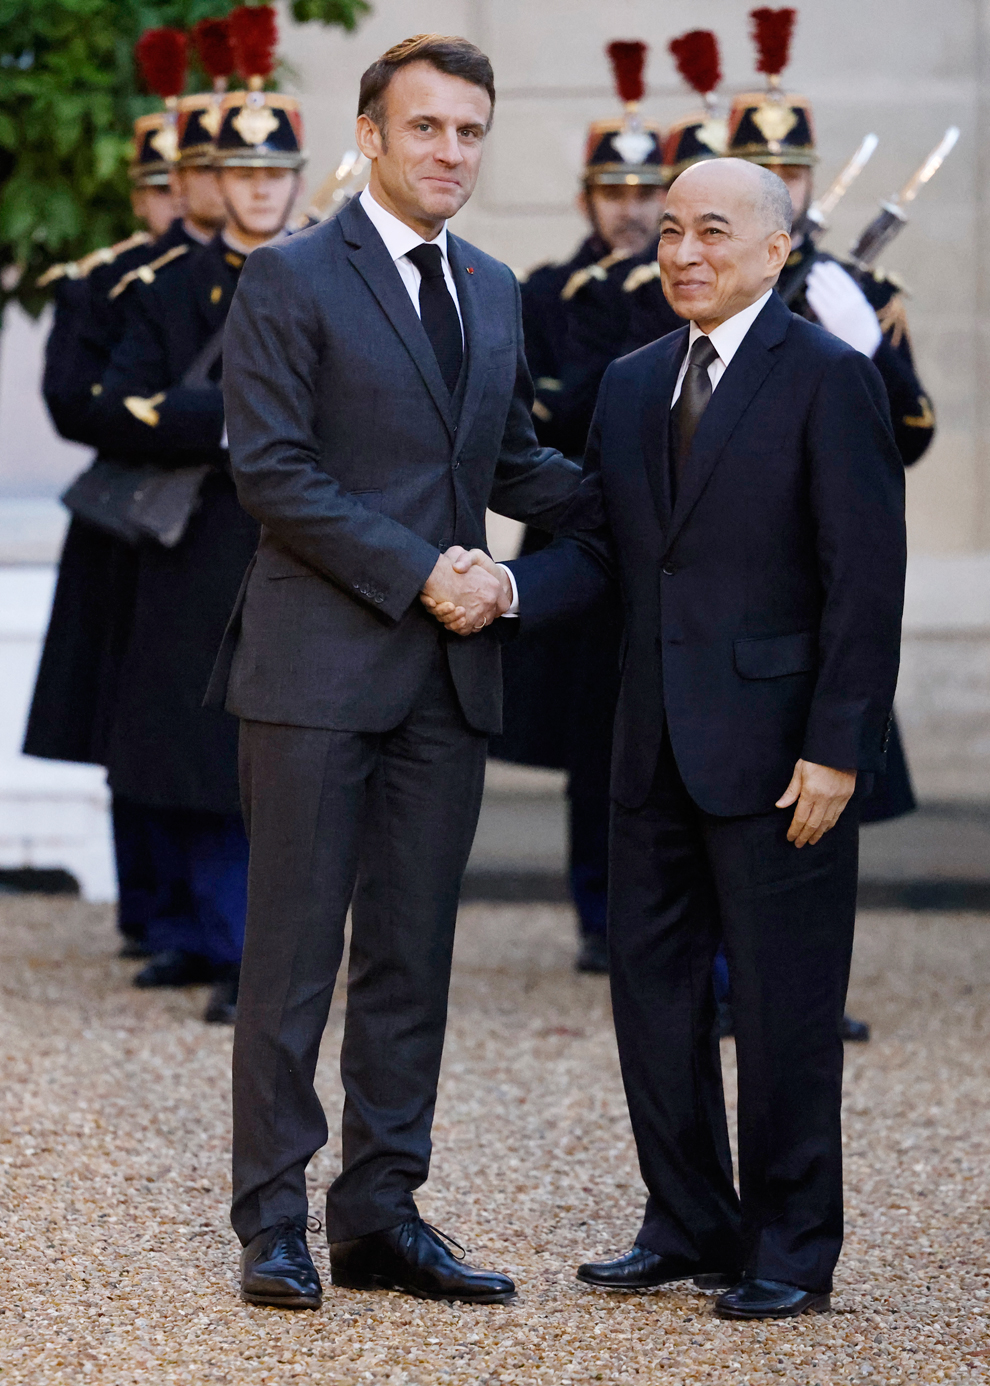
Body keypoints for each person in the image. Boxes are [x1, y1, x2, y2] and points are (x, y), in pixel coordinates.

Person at [436, 159, 906, 1318]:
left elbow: (865, 580)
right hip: (645, 747)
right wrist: (504, 586)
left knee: (787, 1011)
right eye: (673, 233)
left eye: (713, 232)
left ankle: (791, 1247)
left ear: (775, 249)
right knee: (652, 1000)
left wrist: (838, 745)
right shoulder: (634, 383)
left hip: (780, 756)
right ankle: (687, 1217)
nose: (684, 252)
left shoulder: (830, 379)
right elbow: (603, 551)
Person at [209, 33, 581, 1311]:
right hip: (316, 671)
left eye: (471, 131)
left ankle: (379, 1215)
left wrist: (671, 481)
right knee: (294, 961)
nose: (451, 152)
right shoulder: (290, 278)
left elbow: (512, 463)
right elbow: (272, 472)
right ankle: (272, 1222)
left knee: (413, 960)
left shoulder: (492, 284)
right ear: (369, 134)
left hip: (446, 686)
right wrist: (429, 568)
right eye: (426, 128)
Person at [87, 41, 305, 1025]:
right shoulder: (170, 287)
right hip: (201, 550)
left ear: (296, 178)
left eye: (275, 171)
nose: (258, 189)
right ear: (217, 179)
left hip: (305, 548)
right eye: (243, 172)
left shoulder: (329, 274)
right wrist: (227, 423)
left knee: (296, 762)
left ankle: (279, 949)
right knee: (203, 752)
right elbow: (120, 401)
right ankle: (228, 948)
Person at [24, 41, 213, 959]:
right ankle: (151, 910)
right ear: (142, 195)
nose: (178, 204)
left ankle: (185, 913)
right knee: (124, 722)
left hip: (202, 524)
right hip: (124, 523)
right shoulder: (106, 278)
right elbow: (75, 402)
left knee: (178, 724)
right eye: (163, 188)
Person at [491, 39, 668, 972]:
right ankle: (599, 920)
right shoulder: (548, 292)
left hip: (671, 540)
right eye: (614, 193)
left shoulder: (691, 289)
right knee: (590, 740)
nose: (631, 210)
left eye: (647, 194)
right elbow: (539, 408)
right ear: (587, 200)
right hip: (576, 527)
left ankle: (661, 918)